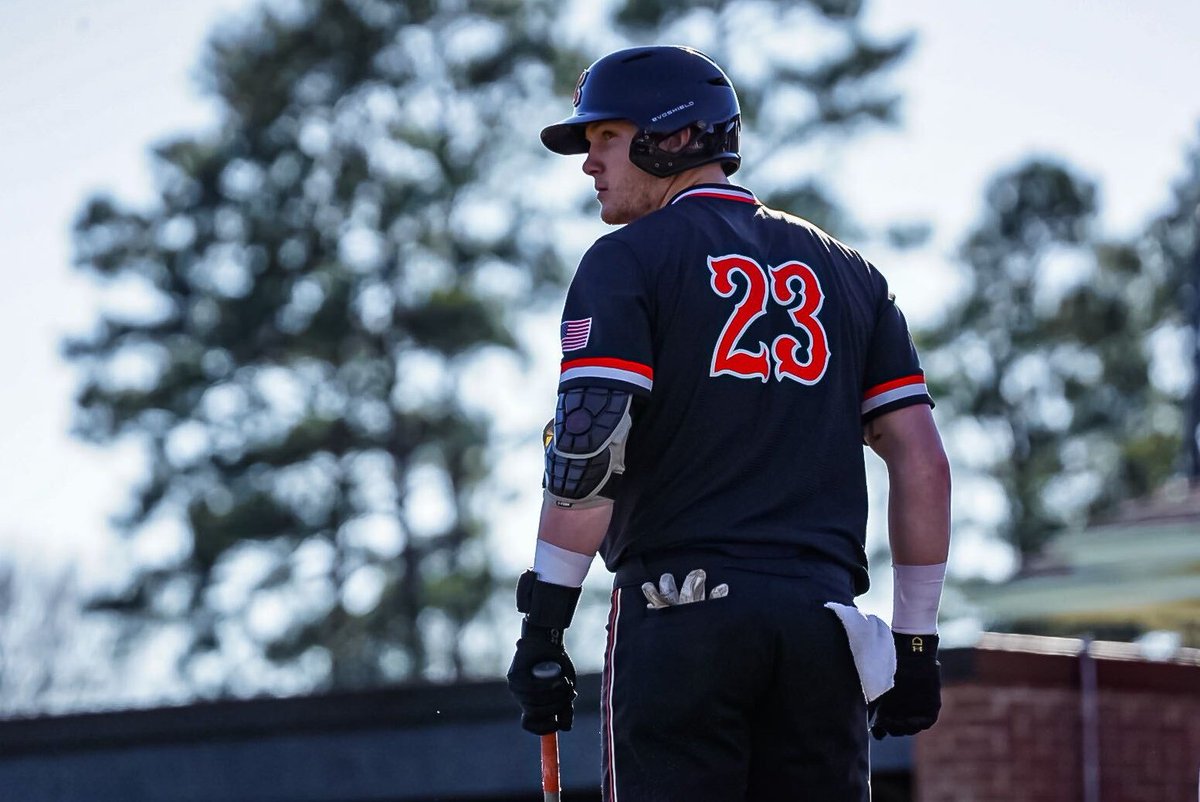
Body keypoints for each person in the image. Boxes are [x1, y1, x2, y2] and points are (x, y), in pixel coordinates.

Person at [506, 45, 951, 800]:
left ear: (673, 137)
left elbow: (590, 443)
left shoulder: (626, 260)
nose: (589, 163)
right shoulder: (853, 272)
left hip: (681, 618)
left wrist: (545, 626)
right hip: (825, 630)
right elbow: (922, 461)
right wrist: (915, 641)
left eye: (605, 137)